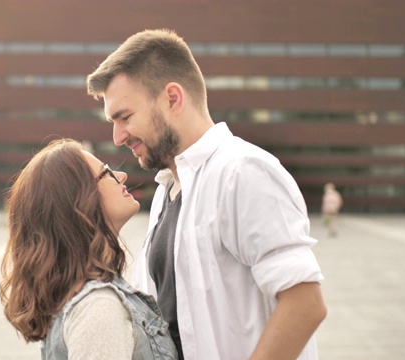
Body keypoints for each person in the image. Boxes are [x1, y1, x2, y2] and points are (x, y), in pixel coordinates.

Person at [87, 29, 327, 360]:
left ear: (172, 98)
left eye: (125, 117)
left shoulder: (242, 172)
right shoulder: (166, 191)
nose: (117, 137)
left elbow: (305, 304)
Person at [0, 139, 178, 360]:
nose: (121, 176)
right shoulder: (98, 308)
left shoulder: (83, 299)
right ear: (79, 200)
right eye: (106, 172)